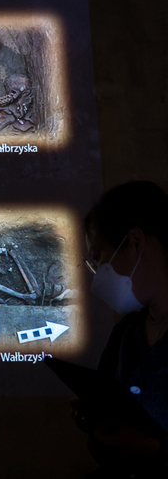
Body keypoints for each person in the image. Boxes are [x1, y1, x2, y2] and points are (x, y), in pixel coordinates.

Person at [78, 180, 168, 477]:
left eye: (98, 258)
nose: (97, 277)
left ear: (136, 243)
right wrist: (96, 421)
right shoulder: (126, 335)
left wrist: (151, 448)